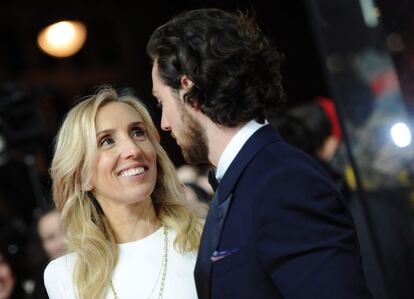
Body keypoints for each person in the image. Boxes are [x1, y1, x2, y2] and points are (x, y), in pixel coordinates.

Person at [147, 8, 372, 299]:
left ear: (188, 87)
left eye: (161, 101)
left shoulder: (285, 183)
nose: (164, 123)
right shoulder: (243, 182)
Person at [44, 86, 202, 299]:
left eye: (138, 132)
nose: (133, 150)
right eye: (106, 141)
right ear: (82, 176)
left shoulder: (204, 238)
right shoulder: (64, 274)